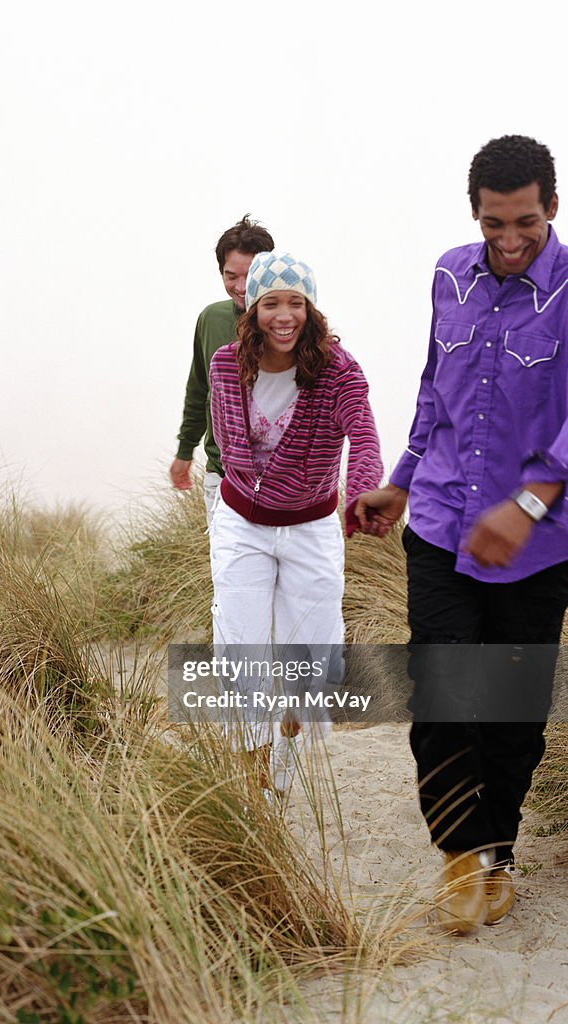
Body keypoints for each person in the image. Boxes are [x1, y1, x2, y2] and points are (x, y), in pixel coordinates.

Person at [356, 135, 568, 935]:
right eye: (492, 225)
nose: (508, 241)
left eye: (523, 222)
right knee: (444, 695)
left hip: (542, 540)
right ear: (473, 215)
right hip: (445, 523)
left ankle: (500, 852)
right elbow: (433, 394)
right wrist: (402, 480)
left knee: (513, 711)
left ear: (550, 207)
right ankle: (461, 856)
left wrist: (523, 507)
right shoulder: (450, 274)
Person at [209, 251, 383, 792]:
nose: (284, 316)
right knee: (241, 646)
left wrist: (361, 492)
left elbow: (365, 434)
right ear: (252, 308)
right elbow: (223, 440)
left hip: (311, 527)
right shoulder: (224, 363)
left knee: (310, 654)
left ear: (310, 308)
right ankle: (251, 772)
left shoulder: (338, 369)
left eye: (295, 303)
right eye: (271, 303)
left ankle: (285, 755)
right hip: (242, 523)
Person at [171, 215, 274, 521]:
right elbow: (199, 388)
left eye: (251, 275)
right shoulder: (212, 319)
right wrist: (185, 451)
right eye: (231, 276)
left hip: (281, 481)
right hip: (222, 477)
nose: (241, 286)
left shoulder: (291, 324)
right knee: (227, 570)